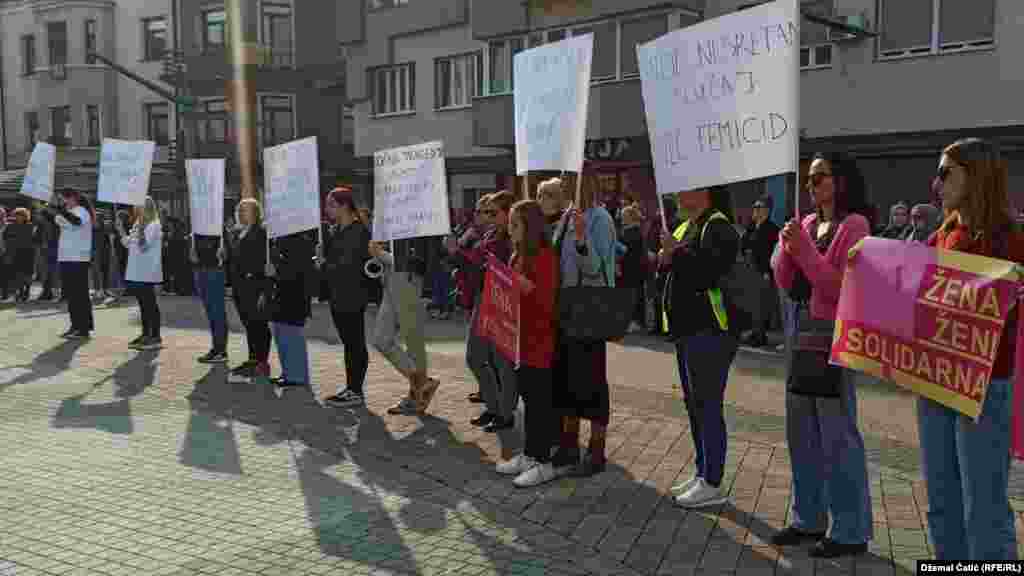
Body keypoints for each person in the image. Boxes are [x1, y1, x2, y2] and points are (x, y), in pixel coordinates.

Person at [917, 138, 1018, 560]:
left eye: (946, 173)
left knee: (984, 507)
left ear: (975, 176)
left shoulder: (1011, 239)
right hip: (936, 381)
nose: (936, 183)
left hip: (984, 386)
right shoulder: (942, 234)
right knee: (942, 502)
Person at [771, 152, 873, 558]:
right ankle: (807, 517)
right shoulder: (809, 224)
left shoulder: (855, 226)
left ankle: (850, 528)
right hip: (800, 336)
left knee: (838, 436)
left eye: (819, 178)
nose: (812, 187)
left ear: (841, 180)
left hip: (834, 341)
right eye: (809, 181)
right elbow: (783, 278)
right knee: (801, 434)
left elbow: (839, 286)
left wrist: (804, 251)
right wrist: (785, 248)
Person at [663, 187, 740, 508]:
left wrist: (676, 253)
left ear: (705, 193)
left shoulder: (718, 226)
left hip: (710, 331)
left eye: (686, 189)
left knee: (707, 405)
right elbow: (673, 270)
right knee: (694, 405)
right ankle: (702, 471)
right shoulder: (687, 226)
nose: (679, 196)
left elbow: (706, 274)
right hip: (687, 331)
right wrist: (665, 256)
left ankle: (712, 480)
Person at [552, 172, 618, 477]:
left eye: (570, 180)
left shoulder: (600, 219)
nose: (564, 186)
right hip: (566, 307)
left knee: (592, 380)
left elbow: (597, 270)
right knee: (568, 377)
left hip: (589, 308)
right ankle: (568, 443)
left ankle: (597, 449)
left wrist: (580, 239)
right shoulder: (567, 215)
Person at [494, 199, 560, 487]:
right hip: (520, 338)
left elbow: (546, 301)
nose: (510, 229)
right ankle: (530, 454)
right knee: (527, 399)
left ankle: (543, 461)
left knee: (538, 402)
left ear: (530, 227)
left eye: (515, 224)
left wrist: (523, 285)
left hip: (539, 340)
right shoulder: (516, 255)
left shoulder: (545, 256)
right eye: (510, 223)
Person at [453, 191, 515, 432]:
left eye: (493, 212)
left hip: (500, 300)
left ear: (508, 213)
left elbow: (486, 263)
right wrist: (456, 252)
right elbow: (475, 261)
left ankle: (505, 413)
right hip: (483, 298)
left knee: (501, 362)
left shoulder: (510, 238)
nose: (488, 217)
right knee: (476, 357)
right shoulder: (489, 233)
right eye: (485, 212)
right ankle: (494, 407)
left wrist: (459, 253)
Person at [368, 240, 440, 416]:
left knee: (413, 342)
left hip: (410, 279)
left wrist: (383, 255)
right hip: (391, 278)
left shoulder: (414, 217)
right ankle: (422, 384)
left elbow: (419, 257)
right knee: (381, 340)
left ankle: (416, 396)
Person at [323, 188, 372, 408]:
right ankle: (352, 388)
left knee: (354, 344)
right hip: (338, 294)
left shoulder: (358, 231)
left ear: (344, 206)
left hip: (352, 294)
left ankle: (355, 390)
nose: (327, 209)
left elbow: (348, 265)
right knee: (349, 343)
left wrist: (323, 264)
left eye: (331, 204)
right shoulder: (338, 230)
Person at [269, 230, 316, 394]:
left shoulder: (299, 240)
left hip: (295, 295)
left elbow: (295, 269)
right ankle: (288, 372)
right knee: (281, 333)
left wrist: (275, 268)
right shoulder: (282, 239)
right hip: (284, 293)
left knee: (292, 335)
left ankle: (297, 376)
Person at [229, 198, 271, 379]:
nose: (240, 213)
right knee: (249, 324)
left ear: (255, 212)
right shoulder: (241, 232)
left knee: (258, 325)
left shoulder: (261, 233)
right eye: (239, 210)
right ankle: (253, 359)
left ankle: (262, 361)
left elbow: (262, 262)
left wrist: (263, 290)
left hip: (254, 286)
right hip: (241, 287)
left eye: (244, 210)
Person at [118, 198, 164, 350]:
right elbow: (128, 244)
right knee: (143, 304)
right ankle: (145, 334)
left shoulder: (154, 225)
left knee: (149, 303)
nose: (135, 210)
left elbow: (144, 246)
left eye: (138, 208)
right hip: (136, 270)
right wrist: (121, 230)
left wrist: (141, 228)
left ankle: (155, 336)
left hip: (147, 271)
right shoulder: (138, 224)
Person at [48, 189, 94, 339]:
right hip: (67, 257)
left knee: (79, 294)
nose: (62, 202)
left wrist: (60, 209)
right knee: (72, 294)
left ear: (73, 198)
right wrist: (44, 208)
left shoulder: (81, 211)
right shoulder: (68, 211)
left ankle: (83, 328)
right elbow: (55, 219)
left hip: (78, 259)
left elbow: (76, 221)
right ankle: (75, 326)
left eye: (63, 199)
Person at [741, 196, 781, 347]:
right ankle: (754, 332)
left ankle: (760, 335)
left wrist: (767, 271)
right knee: (752, 303)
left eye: (759, 207)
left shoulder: (772, 229)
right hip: (750, 269)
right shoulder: (751, 227)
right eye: (755, 207)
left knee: (762, 304)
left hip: (763, 271)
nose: (755, 210)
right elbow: (744, 244)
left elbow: (772, 253)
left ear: (767, 210)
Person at [192, 228, 229, 364]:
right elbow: (192, 250)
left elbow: (227, 252)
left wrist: (223, 253)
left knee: (217, 311)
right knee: (210, 311)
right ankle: (216, 348)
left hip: (214, 271)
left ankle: (220, 350)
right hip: (200, 270)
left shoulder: (216, 224)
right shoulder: (197, 226)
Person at [620, 204, 647, 333]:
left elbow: (628, 249)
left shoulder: (633, 231)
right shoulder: (630, 230)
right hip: (630, 268)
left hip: (633, 268)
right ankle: (633, 320)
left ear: (630, 217)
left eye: (624, 216)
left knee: (634, 294)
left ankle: (637, 321)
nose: (622, 218)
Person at [5, 207, 36, 302]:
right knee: (17, 274)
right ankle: (20, 291)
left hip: (28, 252)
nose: (18, 217)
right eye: (17, 215)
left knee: (27, 273)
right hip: (15, 252)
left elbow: (34, 239)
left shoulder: (30, 226)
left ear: (25, 216)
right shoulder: (10, 226)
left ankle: (27, 290)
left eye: (21, 215)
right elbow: (5, 237)